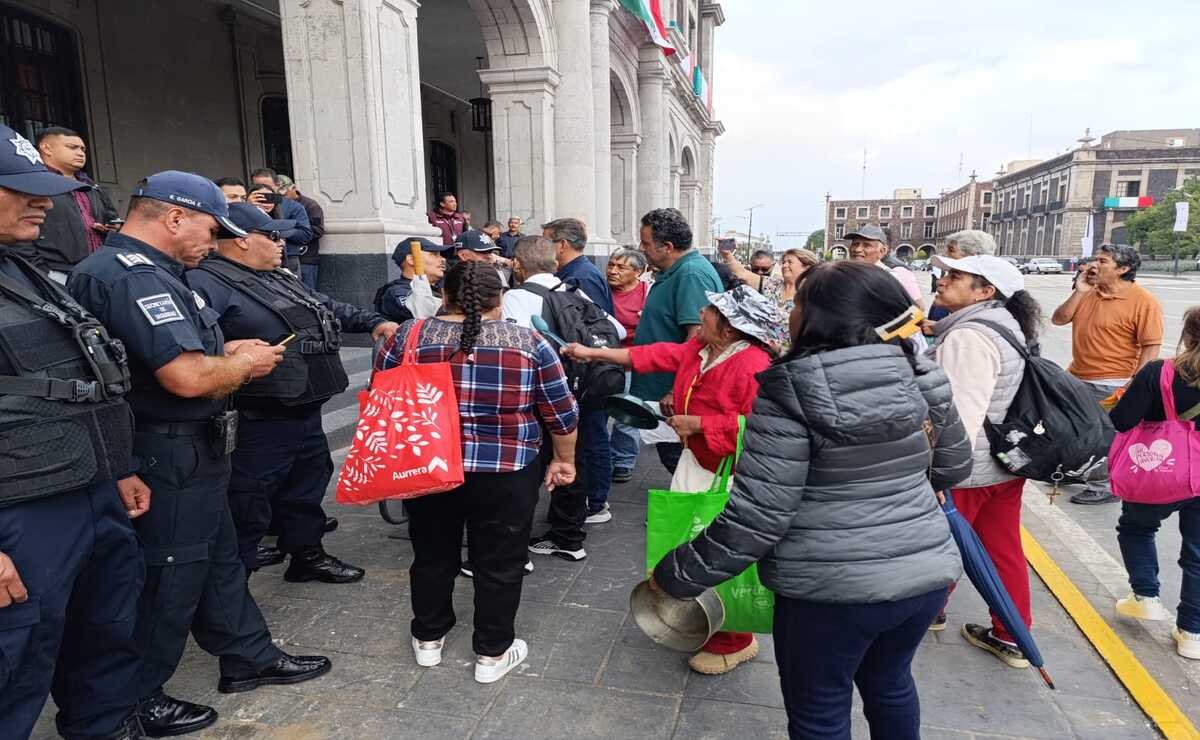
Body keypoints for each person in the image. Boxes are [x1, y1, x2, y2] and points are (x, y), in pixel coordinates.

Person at [652, 260, 972, 740]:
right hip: (924, 575)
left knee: (820, 711)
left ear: (824, 316)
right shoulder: (921, 372)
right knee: (890, 684)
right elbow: (953, 468)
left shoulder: (789, 390)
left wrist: (676, 575)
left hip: (828, 590)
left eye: (799, 302)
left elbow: (756, 518)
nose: (791, 313)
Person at [69, 171, 331, 736]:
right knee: (168, 578)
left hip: (192, 449)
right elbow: (186, 378)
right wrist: (244, 366)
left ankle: (248, 655)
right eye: (211, 229)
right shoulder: (130, 277)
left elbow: (177, 350)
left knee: (216, 562)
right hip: (165, 449)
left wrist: (226, 348)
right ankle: (135, 697)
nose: (213, 243)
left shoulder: (164, 274)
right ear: (173, 217)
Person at [0, 124, 148, 740]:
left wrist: (117, 467)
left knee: (104, 632)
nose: (43, 201)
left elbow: (75, 373)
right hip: (21, 512)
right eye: (18, 188)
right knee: (15, 664)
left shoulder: (22, 269)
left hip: (86, 490)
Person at [374, 261, 579, 684]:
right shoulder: (528, 342)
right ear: (499, 299)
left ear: (444, 296)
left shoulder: (410, 335)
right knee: (501, 561)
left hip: (426, 463)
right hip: (506, 470)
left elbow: (381, 393)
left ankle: (428, 638)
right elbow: (561, 412)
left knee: (431, 553)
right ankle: (492, 652)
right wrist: (564, 460)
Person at [564, 285, 783, 675]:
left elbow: (765, 427)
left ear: (731, 329)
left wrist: (700, 423)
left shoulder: (752, 365)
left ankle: (735, 640)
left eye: (712, 310)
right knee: (691, 544)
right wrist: (592, 352)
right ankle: (704, 617)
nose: (702, 312)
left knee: (721, 552)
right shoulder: (701, 349)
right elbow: (650, 356)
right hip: (700, 461)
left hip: (733, 474)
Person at [187, 201, 397, 585]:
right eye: (271, 235)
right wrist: (228, 352)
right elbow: (193, 348)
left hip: (302, 406)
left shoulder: (277, 275)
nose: (282, 241)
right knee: (249, 498)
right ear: (241, 240)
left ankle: (307, 555)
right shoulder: (205, 282)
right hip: (258, 414)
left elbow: (326, 307)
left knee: (307, 484)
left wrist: (375, 321)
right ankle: (234, 579)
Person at [926, 254, 1041, 668]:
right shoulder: (1004, 324)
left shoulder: (969, 338)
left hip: (964, 469)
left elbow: (959, 415)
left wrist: (939, 473)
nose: (942, 280)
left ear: (985, 291)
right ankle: (1012, 634)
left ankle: (927, 613)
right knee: (1002, 549)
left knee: (938, 548)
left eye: (956, 276)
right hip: (1001, 465)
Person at [503, 236, 622, 546]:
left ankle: (516, 543)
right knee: (571, 460)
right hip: (575, 391)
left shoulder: (516, 297)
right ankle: (568, 537)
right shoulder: (573, 290)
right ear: (554, 263)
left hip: (535, 395)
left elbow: (511, 346)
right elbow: (617, 331)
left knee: (530, 468)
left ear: (518, 265)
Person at [1108, 306, 1200, 661]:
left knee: (1136, 528)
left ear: (1188, 334)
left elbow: (1121, 420)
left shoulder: (1160, 372)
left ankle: (1145, 597)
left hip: (1161, 472)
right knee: (1197, 553)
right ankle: (1192, 632)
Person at [1052, 244, 1163, 505]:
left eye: (1102, 261)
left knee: (1103, 436)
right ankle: (1078, 471)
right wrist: (1079, 292)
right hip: (1078, 375)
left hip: (1113, 381)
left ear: (1123, 269)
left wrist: (1136, 385)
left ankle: (1104, 485)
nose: (1093, 265)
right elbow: (1059, 319)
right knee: (1073, 430)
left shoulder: (1144, 302)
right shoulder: (1090, 293)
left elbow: (1150, 347)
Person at [631, 208, 723, 474]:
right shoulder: (678, 271)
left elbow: (698, 338)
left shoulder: (690, 274)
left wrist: (676, 389)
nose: (641, 248)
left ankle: (688, 514)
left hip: (674, 396)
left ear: (667, 247)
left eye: (646, 243)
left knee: (682, 462)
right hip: (666, 390)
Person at [11, 127, 119, 281]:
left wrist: (113, 228)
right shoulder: (32, 183)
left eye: (83, 149)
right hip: (56, 273)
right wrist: (43, 272)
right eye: (72, 147)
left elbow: (113, 220)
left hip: (98, 273)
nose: (80, 153)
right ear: (46, 148)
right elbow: (15, 232)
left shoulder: (92, 186)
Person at [606, 247, 651, 484]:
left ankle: (623, 460)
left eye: (621, 267)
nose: (612, 271)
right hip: (602, 358)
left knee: (625, 411)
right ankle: (603, 458)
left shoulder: (647, 293)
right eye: (611, 265)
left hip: (632, 360)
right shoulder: (601, 291)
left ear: (638, 272)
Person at [845, 224, 925, 311]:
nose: (857, 249)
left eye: (866, 245)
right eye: (855, 244)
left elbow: (919, 309)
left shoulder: (896, 276)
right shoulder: (847, 274)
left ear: (882, 251)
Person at [250, 168, 313, 275]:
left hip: (287, 258)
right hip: (255, 258)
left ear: (277, 185)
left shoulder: (293, 206)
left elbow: (305, 234)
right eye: (258, 186)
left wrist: (280, 232)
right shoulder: (247, 205)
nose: (264, 190)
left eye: (267, 186)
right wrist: (249, 206)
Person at [545, 217, 614, 314]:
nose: (542, 248)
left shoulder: (581, 278)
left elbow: (595, 322)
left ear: (562, 245)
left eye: (545, 243)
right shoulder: (577, 272)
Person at [722, 247, 817, 316]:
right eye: (783, 262)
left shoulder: (814, 293)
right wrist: (727, 254)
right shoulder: (772, 284)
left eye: (790, 262)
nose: (784, 266)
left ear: (807, 267)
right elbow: (742, 273)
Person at [375, 236, 450, 322]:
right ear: (411, 260)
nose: (443, 259)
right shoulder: (396, 292)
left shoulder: (436, 288)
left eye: (441, 255)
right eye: (434, 254)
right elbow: (424, 311)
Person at [929, 230, 997, 321]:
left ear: (972, 255)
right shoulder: (943, 300)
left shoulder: (988, 313)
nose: (945, 254)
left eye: (951, 250)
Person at [277, 174, 325, 290]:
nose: (282, 197)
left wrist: (292, 232)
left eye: (284, 194)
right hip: (285, 258)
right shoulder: (278, 205)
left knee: (308, 293)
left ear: (293, 188)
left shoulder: (310, 205)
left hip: (306, 259)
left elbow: (318, 230)